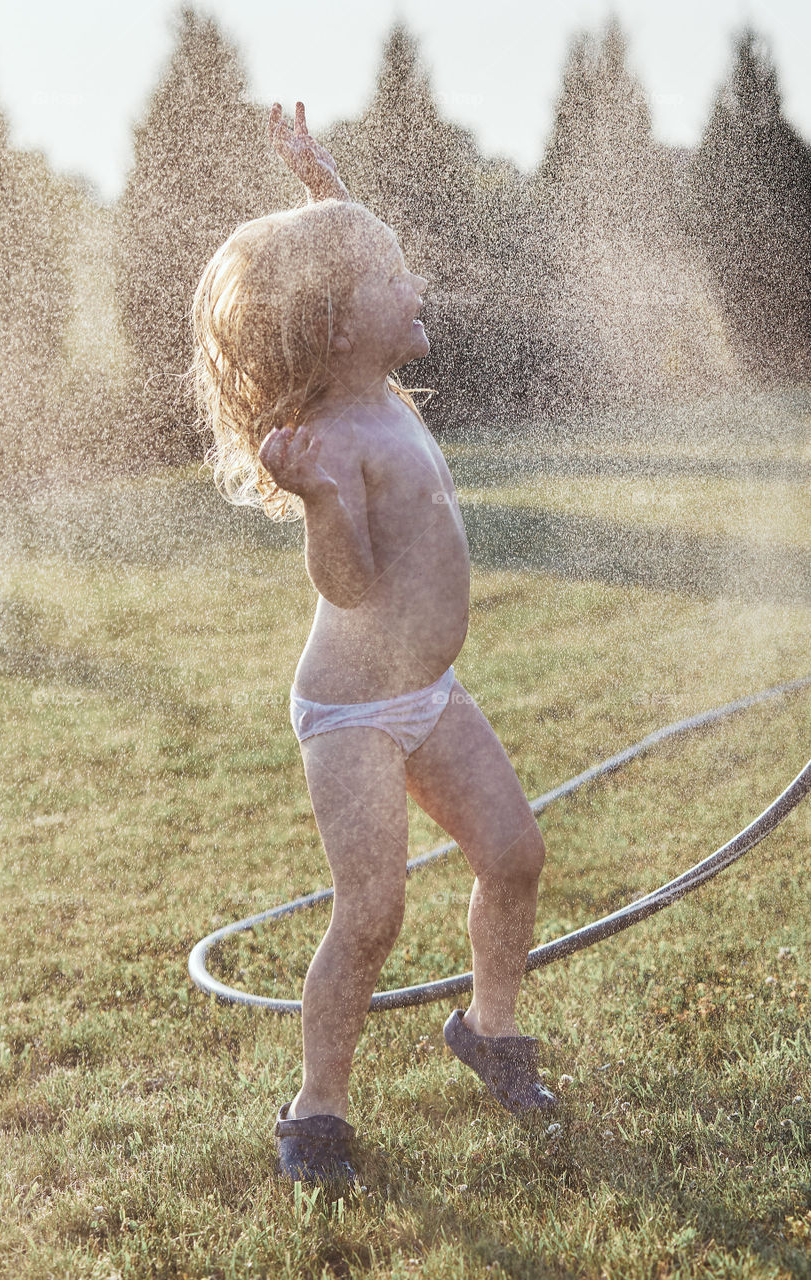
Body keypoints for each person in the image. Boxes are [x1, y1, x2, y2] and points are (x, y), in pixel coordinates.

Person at [190, 101, 557, 1189]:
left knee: (514, 853)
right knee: (374, 907)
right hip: (352, 711)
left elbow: (341, 258)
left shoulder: (379, 384)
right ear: (343, 325)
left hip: (430, 693)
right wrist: (315, 504)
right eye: (394, 280)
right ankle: (315, 1111)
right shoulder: (338, 437)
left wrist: (321, 180)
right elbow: (347, 586)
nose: (416, 287)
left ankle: (490, 1033)